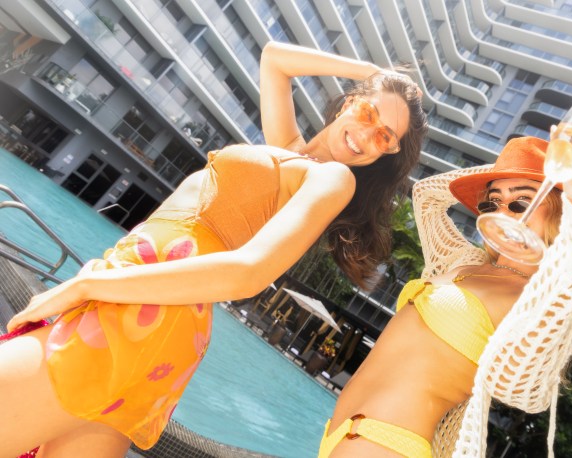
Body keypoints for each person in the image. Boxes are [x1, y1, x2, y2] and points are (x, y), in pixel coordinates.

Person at [0, 41, 427, 457]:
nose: (368, 134)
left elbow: (249, 272)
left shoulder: (334, 179)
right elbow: (275, 59)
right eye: (368, 112)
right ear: (350, 101)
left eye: (385, 137)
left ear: (386, 152)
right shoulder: (291, 154)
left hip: (139, 313)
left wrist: (89, 284)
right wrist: (374, 75)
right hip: (140, 314)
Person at [319, 106, 572, 458]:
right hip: (337, 435)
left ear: (560, 212)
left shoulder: (539, 299)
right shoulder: (462, 261)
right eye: (492, 203)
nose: (501, 213)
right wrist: (515, 166)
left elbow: (526, 389)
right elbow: (427, 195)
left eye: (520, 203)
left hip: (388, 445)